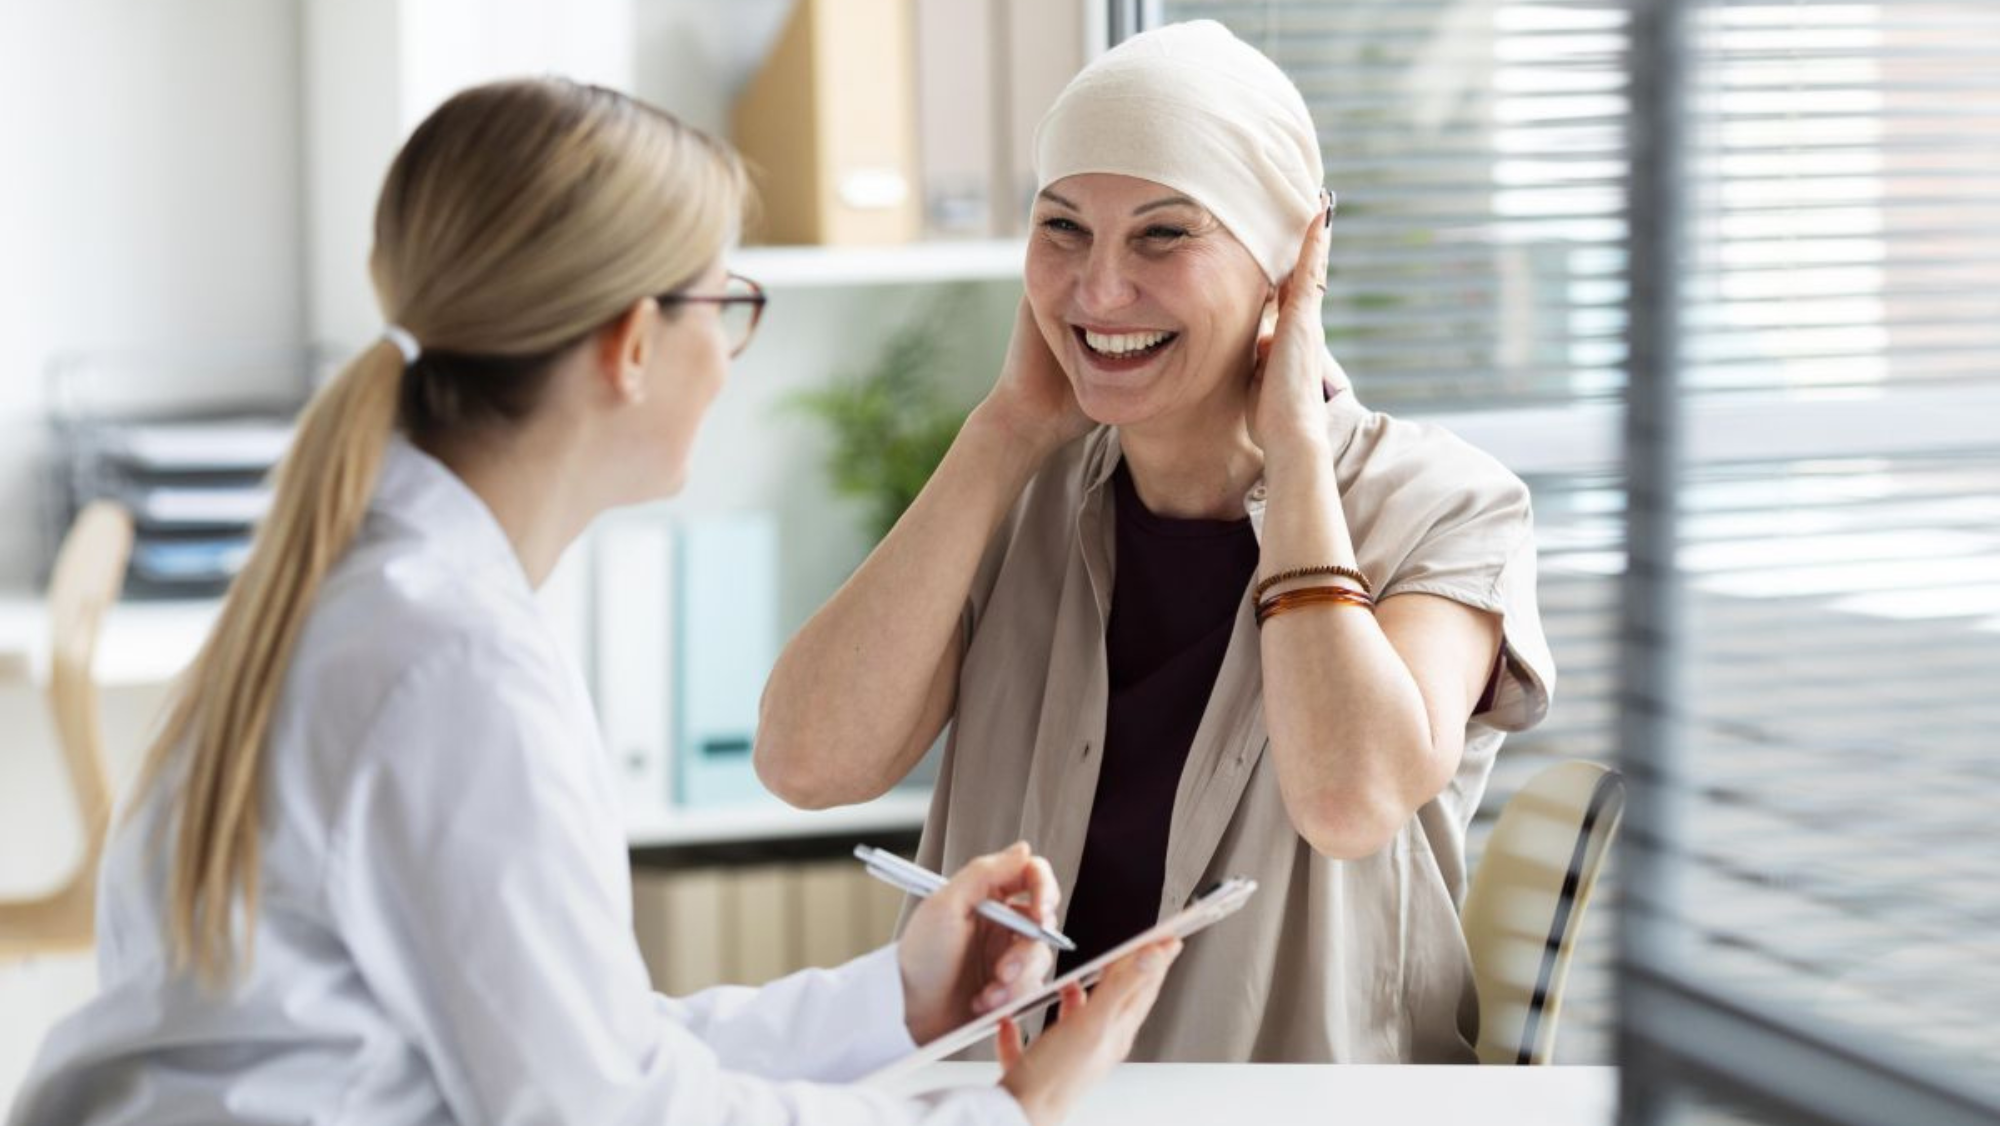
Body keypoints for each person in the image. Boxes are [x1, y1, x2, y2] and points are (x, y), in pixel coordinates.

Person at [4, 78, 1179, 1126]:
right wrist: (1009, 1116)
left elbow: (573, 1044)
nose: (730, 358)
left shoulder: (367, 595)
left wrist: (893, 999)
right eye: (729, 309)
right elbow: (596, 1109)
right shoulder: (448, 666)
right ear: (630, 345)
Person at [756, 21, 1555, 1064]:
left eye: (1162, 234)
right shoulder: (1019, 491)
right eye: (1061, 229)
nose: (1096, 290)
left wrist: (1295, 455)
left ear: (1285, 267)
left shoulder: (1442, 505)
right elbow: (807, 765)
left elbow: (1349, 799)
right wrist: (1000, 432)